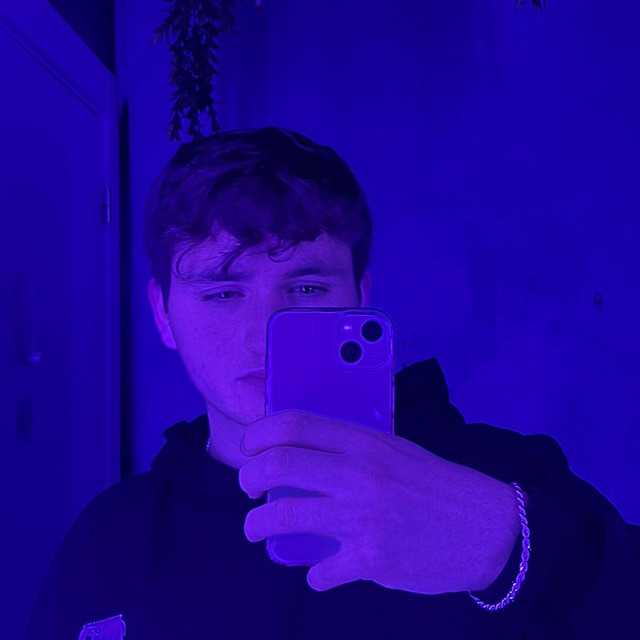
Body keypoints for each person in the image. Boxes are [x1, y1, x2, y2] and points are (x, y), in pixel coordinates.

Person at [23, 127, 640, 640]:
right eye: (222, 292)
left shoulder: (505, 477)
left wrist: (510, 550)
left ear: (359, 297)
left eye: (308, 287)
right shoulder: (109, 537)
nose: (264, 332)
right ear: (163, 314)